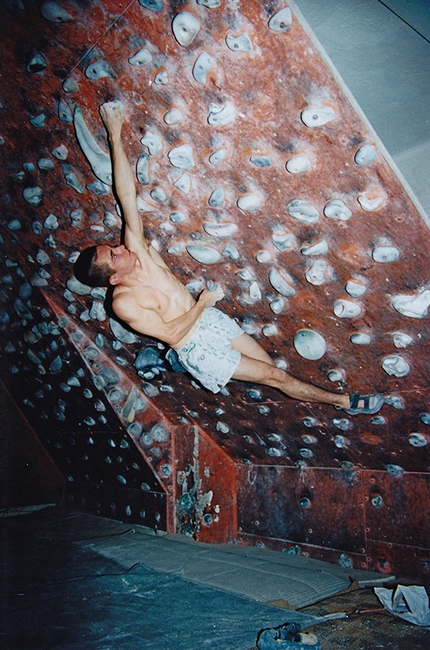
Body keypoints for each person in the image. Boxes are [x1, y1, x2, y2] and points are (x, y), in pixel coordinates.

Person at [74, 101, 384, 415]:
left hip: (206, 319)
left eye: (112, 247)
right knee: (275, 376)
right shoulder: (122, 303)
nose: (119, 248)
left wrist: (115, 133)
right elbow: (172, 333)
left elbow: (125, 195)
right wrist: (202, 303)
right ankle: (346, 403)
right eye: (114, 255)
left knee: (269, 369)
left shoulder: (135, 248)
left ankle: (174, 364)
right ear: (114, 278)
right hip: (193, 345)